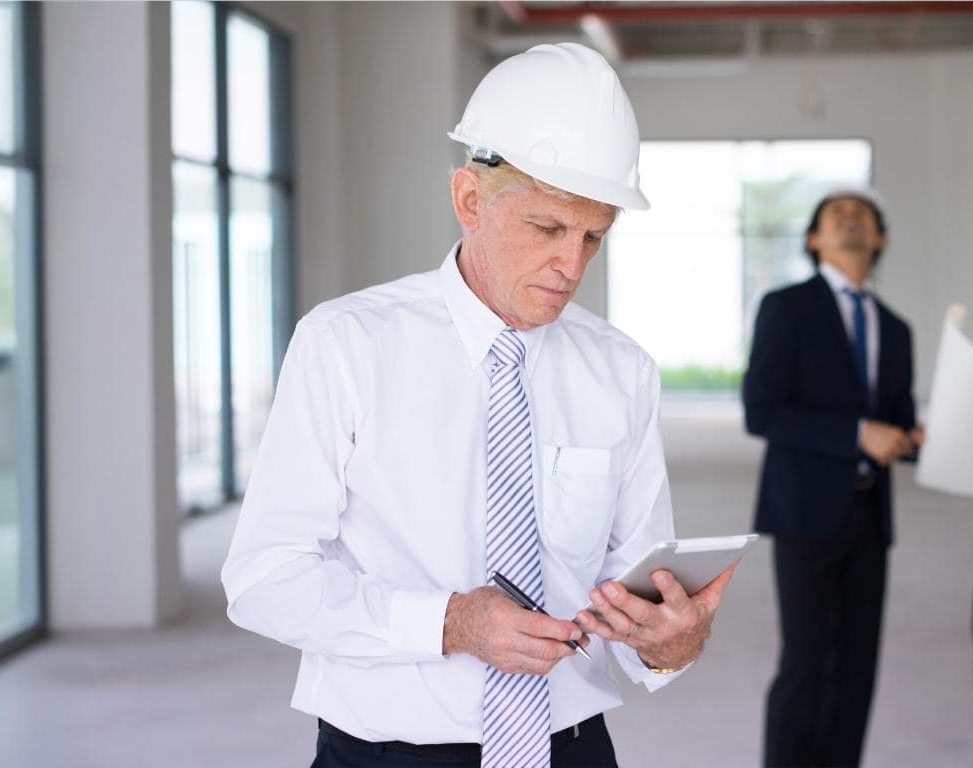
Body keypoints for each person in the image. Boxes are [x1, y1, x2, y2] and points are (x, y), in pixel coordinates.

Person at [221, 43, 735, 768]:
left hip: (574, 749)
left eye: (593, 236)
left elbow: (634, 582)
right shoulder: (346, 345)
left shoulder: (621, 371)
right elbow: (263, 578)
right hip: (385, 753)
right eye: (548, 229)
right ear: (469, 200)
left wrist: (672, 642)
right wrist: (449, 623)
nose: (572, 264)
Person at [743, 189, 924, 768]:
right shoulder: (786, 307)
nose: (850, 219)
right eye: (834, 215)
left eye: (863, 215)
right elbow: (761, 410)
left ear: (881, 239)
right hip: (803, 513)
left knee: (857, 670)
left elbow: (896, 421)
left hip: (872, 518)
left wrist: (917, 440)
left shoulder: (897, 330)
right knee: (804, 664)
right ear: (814, 239)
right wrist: (855, 433)